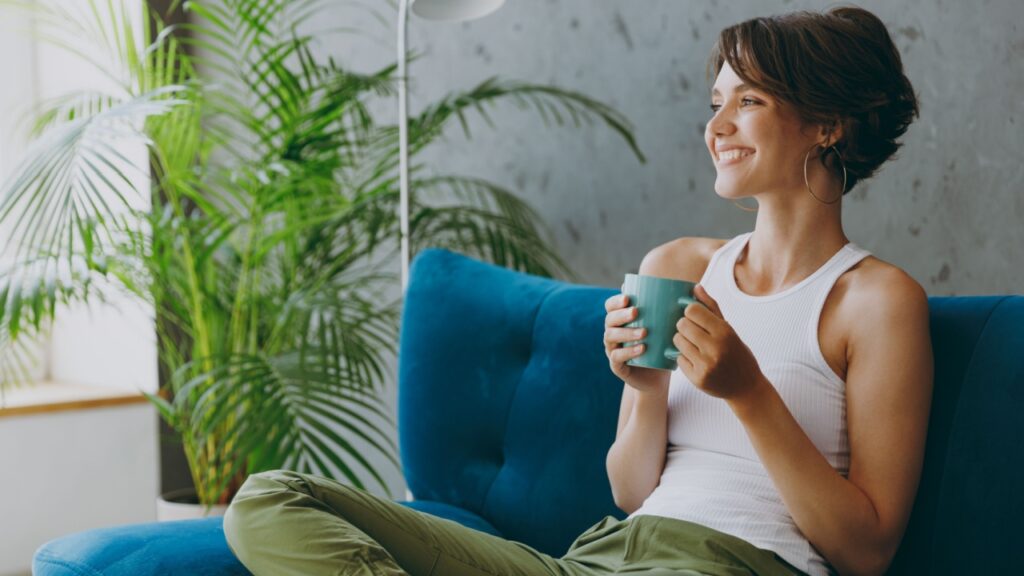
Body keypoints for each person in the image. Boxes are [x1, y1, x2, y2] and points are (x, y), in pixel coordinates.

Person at [223, 5, 932, 576]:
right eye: (715, 103)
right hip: (602, 556)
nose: (716, 128)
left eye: (748, 102)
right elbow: (630, 493)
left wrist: (747, 392)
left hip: (734, 564)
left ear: (826, 125)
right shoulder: (679, 266)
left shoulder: (875, 302)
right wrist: (646, 388)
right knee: (269, 500)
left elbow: (864, 552)